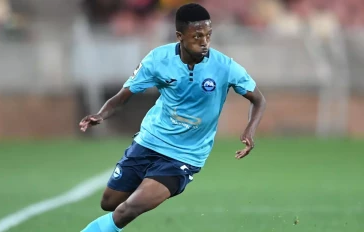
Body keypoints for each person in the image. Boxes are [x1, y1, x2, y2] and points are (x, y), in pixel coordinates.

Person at [79, 3, 266, 232]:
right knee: (109, 203)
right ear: (180, 36)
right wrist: (100, 114)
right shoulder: (158, 59)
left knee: (128, 209)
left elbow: (258, 99)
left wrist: (249, 130)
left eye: (208, 35)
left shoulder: (225, 67)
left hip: (184, 155)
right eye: (197, 36)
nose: (204, 41)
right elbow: (122, 96)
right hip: (149, 141)